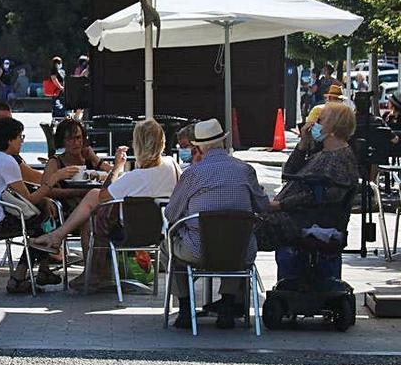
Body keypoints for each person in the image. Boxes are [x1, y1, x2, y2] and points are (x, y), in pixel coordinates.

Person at [31, 119, 180, 290]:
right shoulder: (172, 165)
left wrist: (117, 167)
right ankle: (65, 243)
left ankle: (86, 265)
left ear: (137, 144)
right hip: (163, 232)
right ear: (162, 142)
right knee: (94, 208)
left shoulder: (135, 178)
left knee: (93, 207)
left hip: (130, 234)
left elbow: (103, 195)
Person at [162, 118, 269, 330]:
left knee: (167, 248)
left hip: (198, 251)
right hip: (238, 252)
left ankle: (185, 307)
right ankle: (228, 304)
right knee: (237, 241)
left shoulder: (192, 174)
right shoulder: (246, 170)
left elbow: (171, 213)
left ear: (199, 147)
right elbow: (263, 205)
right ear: (223, 141)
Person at [0, 117, 75, 293]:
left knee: (40, 215)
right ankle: (19, 276)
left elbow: (21, 194)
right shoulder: (7, 161)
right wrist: (54, 178)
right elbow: (30, 200)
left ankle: (44, 269)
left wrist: (45, 198)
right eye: (20, 137)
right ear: (9, 140)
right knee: (40, 222)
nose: (22, 141)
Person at [269, 102, 358, 246]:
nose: (314, 125)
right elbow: (290, 173)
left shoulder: (340, 158)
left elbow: (326, 195)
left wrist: (280, 205)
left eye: (320, 120)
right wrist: (303, 144)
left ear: (333, 126)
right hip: (294, 218)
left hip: (305, 223)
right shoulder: (322, 153)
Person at [42, 118, 116, 212]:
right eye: (70, 139)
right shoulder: (55, 162)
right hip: (69, 208)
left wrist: (96, 160)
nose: (76, 143)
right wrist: (77, 192)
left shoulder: (90, 159)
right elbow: (45, 190)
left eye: (78, 138)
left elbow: (117, 175)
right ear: (62, 141)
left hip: (97, 204)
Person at [0, 102, 45, 184]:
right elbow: (33, 178)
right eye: (6, 121)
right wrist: (56, 177)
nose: (11, 124)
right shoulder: (1, 149)